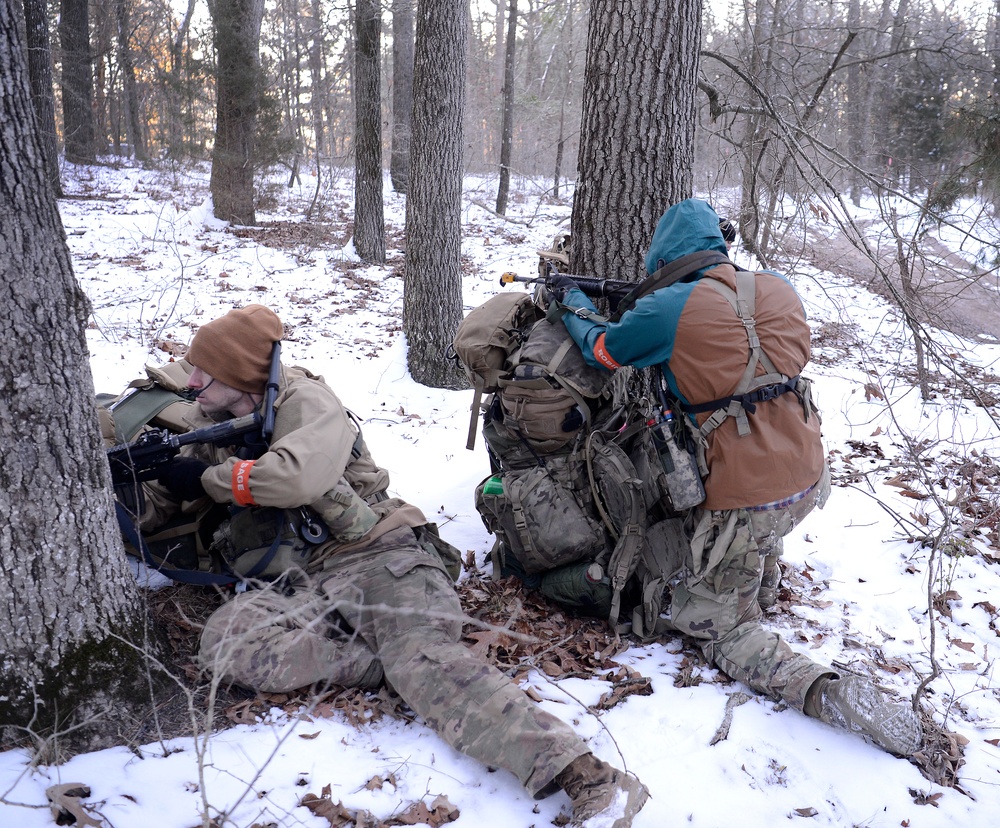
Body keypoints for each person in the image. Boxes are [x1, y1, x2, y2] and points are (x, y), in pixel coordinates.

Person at [138, 304, 648, 828]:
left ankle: (588, 776)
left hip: (381, 557)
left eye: (205, 371)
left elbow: (295, 478)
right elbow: (159, 506)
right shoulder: (211, 423)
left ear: (238, 373)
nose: (192, 381)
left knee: (429, 661)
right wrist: (137, 479)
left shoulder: (305, 400)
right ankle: (388, 664)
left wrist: (203, 479)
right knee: (226, 643)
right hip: (306, 582)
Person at [546, 199, 923, 757]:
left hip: (748, 494)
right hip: (807, 474)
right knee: (753, 523)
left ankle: (829, 693)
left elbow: (603, 349)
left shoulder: (671, 308)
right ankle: (758, 583)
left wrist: (573, 303)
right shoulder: (779, 289)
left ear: (664, 256)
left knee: (714, 625)